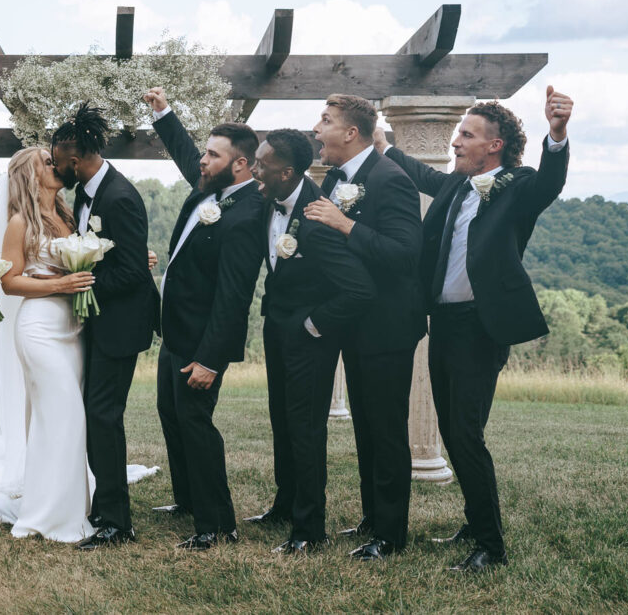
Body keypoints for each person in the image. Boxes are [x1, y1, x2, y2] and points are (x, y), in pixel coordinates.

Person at [378, 86, 574, 572]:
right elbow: (421, 172)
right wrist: (379, 142)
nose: (455, 142)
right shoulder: (453, 185)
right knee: (455, 429)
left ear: (495, 146)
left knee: (464, 434)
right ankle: (475, 521)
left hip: (481, 328)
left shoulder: (520, 184)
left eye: (465, 134)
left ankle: (491, 546)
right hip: (442, 324)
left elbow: (551, 182)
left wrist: (557, 133)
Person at [302, 94, 425, 560]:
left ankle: (390, 536)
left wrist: (343, 225)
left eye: (325, 121)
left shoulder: (391, 180)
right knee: (367, 428)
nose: (317, 129)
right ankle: (374, 518)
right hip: (356, 323)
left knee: (386, 428)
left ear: (351, 133)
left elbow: (403, 254)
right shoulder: (337, 178)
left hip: (388, 325)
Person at [144, 86, 265, 550]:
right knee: (171, 416)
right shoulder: (211, 191)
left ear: (241, 164)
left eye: (213, 155)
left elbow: (234, 297)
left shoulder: (248, 212)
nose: (203, 160)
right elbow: (187, 156)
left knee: (197, 426)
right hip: (176, 333)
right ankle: (189, 500)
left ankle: (218, 524)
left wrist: (211, 359)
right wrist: (164, 115)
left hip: (203, 342)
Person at [250, 129, 377, 554]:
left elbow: (359, 290)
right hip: (276, 328)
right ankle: (285, 506)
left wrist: (313, 325)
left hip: (309, 339)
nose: (254, 170)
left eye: (261, 165)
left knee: (305, 431)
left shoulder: (320, 217)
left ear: (286, 172)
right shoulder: (268, 197)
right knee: (282, 423)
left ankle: (309, 530)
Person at [49, 103, 160, 551]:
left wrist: (82, 287)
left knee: (104, 416)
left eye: (58, 163)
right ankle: (103, 507)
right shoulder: (87, 194)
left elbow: (134, 270)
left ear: (75, 161)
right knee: (96, 414)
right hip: (100, 320)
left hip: (121, 325)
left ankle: (117, 521)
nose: (56, 170)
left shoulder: (118, 197)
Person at [0, 147, 98, 542]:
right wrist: (59, 285)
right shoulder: (20, 223)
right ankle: (47, 517)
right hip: (39, 327)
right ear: (30, 175)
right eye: (45, 161)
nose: (54, 163)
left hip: (74, 328)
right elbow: (9, 280)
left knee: (68, 419)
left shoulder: (69, 216)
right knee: (63, 414)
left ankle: (69, 508)